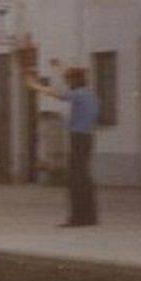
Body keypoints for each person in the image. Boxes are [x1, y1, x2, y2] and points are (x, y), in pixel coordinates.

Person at [25, 60, 99, 226]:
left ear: (76, 81)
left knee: (75, 179)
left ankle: (78, 218)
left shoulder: (79, 94)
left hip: (78, 138)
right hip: (88, 138)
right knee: (85, 178)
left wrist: (36, 86)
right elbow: (70, 78)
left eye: (70, 81)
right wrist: (60, 67)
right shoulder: (90, 93)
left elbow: (59, 94)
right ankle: (90, 216)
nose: (68, 83)